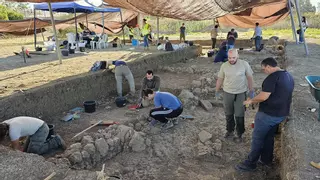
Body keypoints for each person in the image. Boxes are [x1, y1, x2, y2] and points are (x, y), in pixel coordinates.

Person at [235, 57, 294, 172]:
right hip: (280, 114)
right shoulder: (288, 76)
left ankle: (250, 164)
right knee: (268, 137)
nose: (264, 72)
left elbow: (263, 96)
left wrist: (250, 101)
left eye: (263, 69)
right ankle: (266, 160)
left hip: (268, 115)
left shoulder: (272, 78)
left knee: (257, 138)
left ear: (268, 66)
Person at [215, 49, 254, 142]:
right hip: (227, 92)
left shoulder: (244, 64)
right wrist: (216, 90)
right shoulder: (224, 66)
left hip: (241, 93)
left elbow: (249, 77)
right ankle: (229, 130)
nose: (231, 59)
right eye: (229, 57)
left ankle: (240, 133)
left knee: (239, 115)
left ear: (238, 56)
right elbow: (220, 78)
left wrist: (251, 91)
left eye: (233, 57)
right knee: (228, 114)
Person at [0, 116, 66, 155]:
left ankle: (56, 141)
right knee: (27, 153)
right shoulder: (4, 124)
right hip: (33, 130)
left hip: (41, 129)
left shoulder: (13, 130)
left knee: (34, 153)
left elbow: (17, 149)